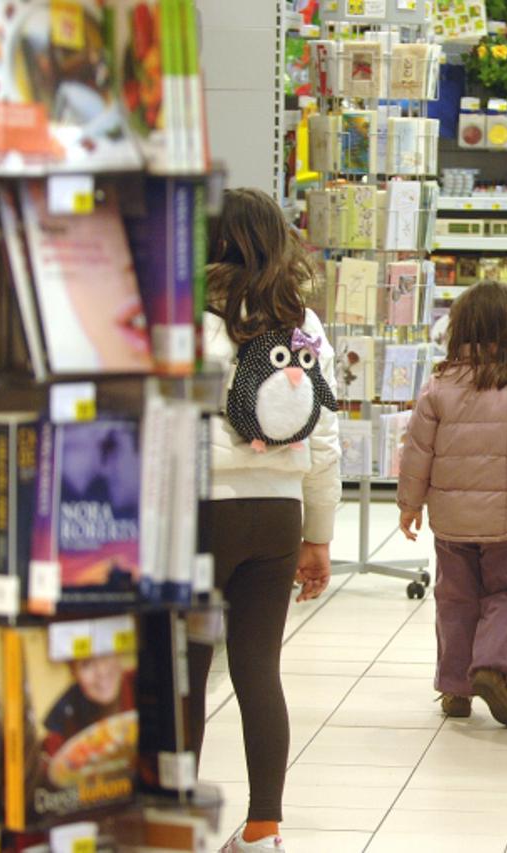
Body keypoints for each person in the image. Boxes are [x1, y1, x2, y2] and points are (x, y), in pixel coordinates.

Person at [189, 187, 341, 853]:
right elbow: (326, 439)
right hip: (278, 512)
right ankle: (263, 829)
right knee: (258, 668)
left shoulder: (189, 317)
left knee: (187, 672)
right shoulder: (303, 325)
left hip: (200, 510)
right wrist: (318, 536)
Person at [396, 282, 507, 728]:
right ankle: (492, 667)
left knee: (455, 599)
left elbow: (417, 452)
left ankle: (455, 688)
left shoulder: (437, 386)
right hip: (505, 522)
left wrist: (409, 504)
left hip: (451, 522)